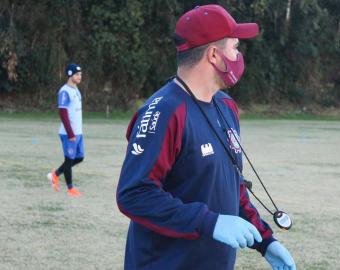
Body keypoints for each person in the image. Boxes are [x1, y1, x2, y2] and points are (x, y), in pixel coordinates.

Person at [117, 5, 296, 270]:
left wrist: (265, 241)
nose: (238, 56)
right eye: (235, 48)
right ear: (214, 55)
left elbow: (232, 187)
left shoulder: (226, 106)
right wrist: (209, 222)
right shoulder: (164, 112)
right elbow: (134, 194)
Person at [47, 63, 84, 197]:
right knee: (69, 160)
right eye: (77, 74)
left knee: (80, 157)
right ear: (70, 75)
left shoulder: (76, 89)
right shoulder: (64, 91)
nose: (80, 77)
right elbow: (63, 113)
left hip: (78, 132)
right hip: (69, 133)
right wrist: (70, 133)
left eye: (80, 74)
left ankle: (55, 174)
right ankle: (70, 188)